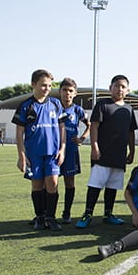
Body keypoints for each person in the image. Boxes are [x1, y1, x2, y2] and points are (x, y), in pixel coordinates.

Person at [76, 75, 137, 228]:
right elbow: (94, 126)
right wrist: (95, 147)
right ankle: (87, 213)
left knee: (113, 185)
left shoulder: (129, 109)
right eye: (117, 86)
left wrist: (131, 151)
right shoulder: (102, 104)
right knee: (96, 184)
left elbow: (130, 132)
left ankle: (108, 214)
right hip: (102, 154)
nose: (120, 89)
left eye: (123, 87)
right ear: (110, 88)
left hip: (119, 155)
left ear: (128, 90)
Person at [12, 69, 67, 231]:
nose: (47, 88)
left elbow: (62, 128)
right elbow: (19, 132)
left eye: (49, 85)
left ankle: (51, 218)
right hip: (34, 154)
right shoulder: (26, 106)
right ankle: (40, 217)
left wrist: (62, 149)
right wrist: (21, 155)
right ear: (33, 84)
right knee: (37, 185)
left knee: (53, 183)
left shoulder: (56, 104)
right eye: (43, 85)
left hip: (53, 153)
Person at [58, 77, 90, 224]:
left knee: (69, 182)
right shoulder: (54, 107)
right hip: (54, 149)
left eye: (70, 90)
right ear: (60, 91)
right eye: (65, 90)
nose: (67, 93)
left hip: (71, 150)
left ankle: (66, 213)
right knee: (51, 182)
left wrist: (82, 138)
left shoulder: (77, 110)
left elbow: (90, 125)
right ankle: (46, 213)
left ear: (75, 93)